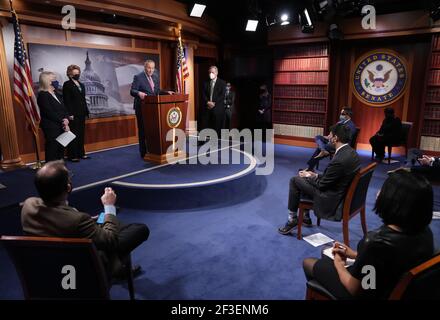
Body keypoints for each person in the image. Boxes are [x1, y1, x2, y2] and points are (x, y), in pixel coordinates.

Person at [302, 170, 434, 299]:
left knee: (309, 263)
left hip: (372, 293)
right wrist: (356, 254)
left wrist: (339, 264)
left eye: (384, 190)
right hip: (394, 286)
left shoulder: (374, 242)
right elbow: (390, 260)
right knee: (327, 255)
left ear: (394, 202)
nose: (378, 193)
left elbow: (358, 289)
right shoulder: (426, 232)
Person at [21, 160, 150, 278]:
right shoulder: (78, 220)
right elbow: (110, 240)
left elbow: (62, 217)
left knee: (111, 223)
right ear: (68, 188)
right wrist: (109, 206)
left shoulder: (28, 205)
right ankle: (114, 268)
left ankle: (115, 262)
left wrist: (93, 220)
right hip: (82, 270)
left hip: (46, 269)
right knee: (139, 229)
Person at [278, 123, 360, 234]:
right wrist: (314, 175)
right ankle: (306, 217)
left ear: (335, 138)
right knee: (308, 176)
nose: (328, 137)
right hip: (338, 190)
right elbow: (334, 177)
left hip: (330, 197)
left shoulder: (339, 159)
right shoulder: (351, 153)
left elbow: (322, 185)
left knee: (295, 180)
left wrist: (309, 176)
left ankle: (292, 219)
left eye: (330, 135)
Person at [306, 107, 356, 172]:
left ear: (348, 115)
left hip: (339, 144)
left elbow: (346, 139)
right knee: (318, 137)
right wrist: (330, 135)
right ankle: (323, 150)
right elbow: (333, 130)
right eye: (341, 113)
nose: (341, 115)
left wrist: (333, 138)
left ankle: (311, 167)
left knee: (320, 148)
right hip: (332, 140)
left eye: (342, 114)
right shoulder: (340, 122)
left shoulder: (351, 125)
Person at [37, 71, 70, 162]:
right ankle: (51, 173)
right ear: (47, 81)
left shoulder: (57, 93)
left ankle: (60, 170)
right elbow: (48, 112)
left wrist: (66, 119)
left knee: (61, 149)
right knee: (53, 149)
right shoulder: (43, 95)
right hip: (51, 126)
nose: (56, 81)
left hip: (62, 125)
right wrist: (63, 121)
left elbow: (64, 108)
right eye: (54, 79)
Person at [130, 60, 160, 158]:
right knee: (143, 130)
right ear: (145, 67)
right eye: (149, 68)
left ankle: (152, 150)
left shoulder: (155, 77)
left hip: (153, 108)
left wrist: (167, 92)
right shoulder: (138, 77)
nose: (151, 70)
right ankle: (143, 152)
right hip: (142, 108)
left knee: (152, 130)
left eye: (152, 68)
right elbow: (132, 91)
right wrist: (139, 93)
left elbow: (157, 92)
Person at [63, 64, 90, 162]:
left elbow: (83, 99)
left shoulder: (81, 84)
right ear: (70, 74)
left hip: (82, 113)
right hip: (73, 114)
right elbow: (67, 100)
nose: (77, 75)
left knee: (81, 134)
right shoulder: (67, 84)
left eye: (78, 73)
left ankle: (81, 153)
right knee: (73, 134)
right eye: (75, 73)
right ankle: (73, 155)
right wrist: (69, 114)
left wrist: (86, 111)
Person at [201, 66, 226, 137]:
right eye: (209, 72)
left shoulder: (222, 83)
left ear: (216, 73)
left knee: (217, 126)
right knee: (204, 123)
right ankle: (202, 141)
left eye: (212, 72)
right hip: (207, 107)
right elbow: (203, 94)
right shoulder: (205, 83)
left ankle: (217, 141)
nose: (210, 74)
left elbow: (222, 95)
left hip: (217, 107)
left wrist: (213, 103)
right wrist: (207, 102)